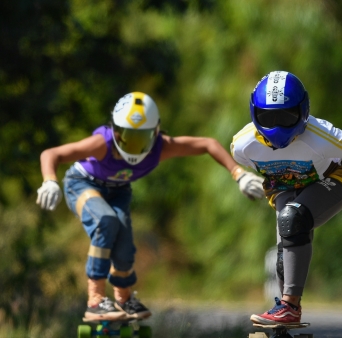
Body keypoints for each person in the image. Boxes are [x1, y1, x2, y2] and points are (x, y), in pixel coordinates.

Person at [37, 91, 265, 321]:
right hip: (82, 183)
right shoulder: (102, 144)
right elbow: (52, 154)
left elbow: (208, 144)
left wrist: (239, 174)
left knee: (125, 246)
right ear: (114, 130)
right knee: (106, 221)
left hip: (119, 190)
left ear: (155, 133)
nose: (133, 147)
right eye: (127, 137)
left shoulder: (161, 147)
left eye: (141, 138)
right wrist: (49, 181)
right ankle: (95, 300)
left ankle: (124, 299)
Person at [230, 71, 342, 324]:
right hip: (284, 185)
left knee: (293, 219)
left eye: (286, 116)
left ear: (303, 111)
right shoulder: (243, 145)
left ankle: (289, 307)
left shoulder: (323, 136)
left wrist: (322, 168)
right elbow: (246, 162)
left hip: (331, 180)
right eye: (268, 116)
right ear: (254, 113)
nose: (277, 125)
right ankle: (285, 309)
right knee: (286, 250)